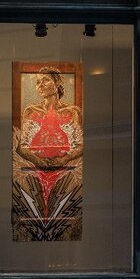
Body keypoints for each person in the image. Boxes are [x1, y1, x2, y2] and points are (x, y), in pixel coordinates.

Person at [13, 66, 84, 241]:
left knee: (65, 216)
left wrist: (66, 158)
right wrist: (39, 162)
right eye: (37, 82)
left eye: (45, 80)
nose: (40, 85)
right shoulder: (31, 111)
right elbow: (22, 147)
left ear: (57, 82)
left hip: (66, 173)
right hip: (35, 172)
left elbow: (80, 145)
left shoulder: (72, 112)